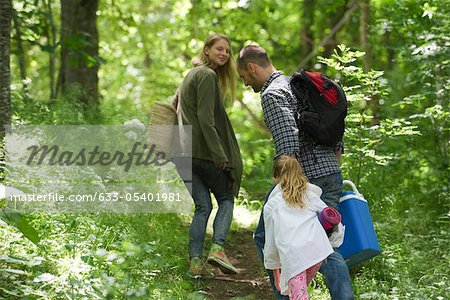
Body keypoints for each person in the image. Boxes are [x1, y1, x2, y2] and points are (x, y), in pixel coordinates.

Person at [236, 45, 354, 299]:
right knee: (323, 244)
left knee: (266, 237)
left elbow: (288, 141)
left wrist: (286, 181)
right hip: (330, 172)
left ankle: (285, 294)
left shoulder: (272, 93)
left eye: (243, 77)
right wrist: (332, 165)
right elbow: (334, 132)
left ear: (252, 67)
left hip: (302, 178)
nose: (245, 83)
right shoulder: (297, 86)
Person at [174, 33, 243, 279]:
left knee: (202, 206)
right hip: (201, 152)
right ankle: (218, 249)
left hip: (181, 154)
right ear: (206, 50)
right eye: (219, 49)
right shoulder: (206, 75)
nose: (224, 54)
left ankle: (195, 264)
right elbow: (205, 119)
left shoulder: (189, 75)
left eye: (227, 51)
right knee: (226, 198)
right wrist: (220, 155)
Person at [264, 155, 335, 299]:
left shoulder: (272, 205)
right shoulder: (310, 196)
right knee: (299, 293)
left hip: (294, 255)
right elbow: (332, 217)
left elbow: (270, 241)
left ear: (276, 178)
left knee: (299, 295)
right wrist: (334, 241)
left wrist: (274, 269)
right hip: (317, 252)